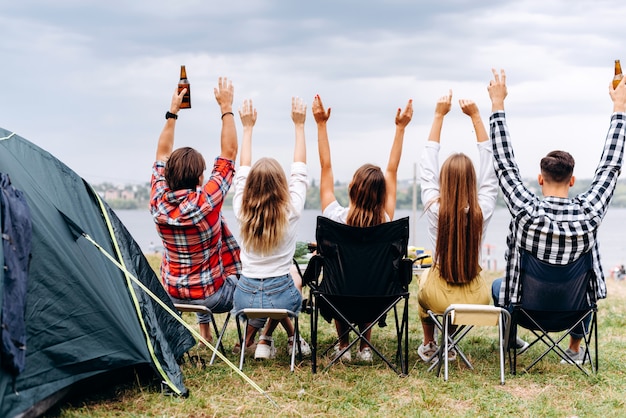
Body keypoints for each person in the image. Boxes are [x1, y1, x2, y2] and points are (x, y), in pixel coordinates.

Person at [488, 68, 626, 364]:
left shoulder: (527, 211)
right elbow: (610, 168)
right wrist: (619, 108)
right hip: (574, 310)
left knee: (498, 286)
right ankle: (575, 349)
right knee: (584, 281)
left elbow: (504, 165)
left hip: (527, 310)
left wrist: (497, 105)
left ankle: (510, 340)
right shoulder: (588, 213)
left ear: (540, 179)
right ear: (572, 180)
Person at [150, 77, 260, 348]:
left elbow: (161, 152)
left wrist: (172, 111)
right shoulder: (206, 202)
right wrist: (226, 107)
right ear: (200, 178)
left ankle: (206, 335)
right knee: (257, 289)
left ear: (168, 177)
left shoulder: (158, 203)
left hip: (172, 292)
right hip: (212, 296)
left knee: (203, 267)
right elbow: (229, 153)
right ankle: (248, 342)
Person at [312, 94, 413, 362]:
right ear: (382, 196)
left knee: (344, 277)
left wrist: (321, 124)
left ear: (351, 189)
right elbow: (392, 170)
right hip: (378, 300)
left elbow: (325, 167)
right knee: (368, 276)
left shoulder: (334, 217)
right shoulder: (387, 219)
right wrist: (400, 128)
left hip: (338, 298)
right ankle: (365, 347)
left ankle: (343, 343)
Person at [416, 91, 498, 363]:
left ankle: (431, 344)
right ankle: (449, 342)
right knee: (436, 285)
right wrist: (476, 116)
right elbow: (490, 173)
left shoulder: (434, 209)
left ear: (443, 181)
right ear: (472, 183)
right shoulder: (481, 211)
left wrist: (438, 115)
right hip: (476, 299)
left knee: (423, 279)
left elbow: (427, 169)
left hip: (439, 298)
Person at [232, 97, 311, 360]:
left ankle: (265, 340)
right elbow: (300, 173)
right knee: (292, 277)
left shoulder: (241, 211)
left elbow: (242, 172)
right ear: (281, 186)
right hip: (281, 299)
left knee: (278, 282)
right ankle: (287, 338)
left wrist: (247, 129)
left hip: (244, 301)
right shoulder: (291, 211)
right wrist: (299, 126)